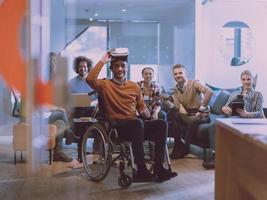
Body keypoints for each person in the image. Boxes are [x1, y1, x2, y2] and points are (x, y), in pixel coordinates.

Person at [86, 50, 177, 182]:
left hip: (136, 125)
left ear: (127, 68)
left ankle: (158, 167)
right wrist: (102, 61)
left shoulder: (134, 86)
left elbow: (141, 107)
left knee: (161, 124)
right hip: (118, 127)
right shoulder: (105, 85)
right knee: (137, 123)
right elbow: (90, 79)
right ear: (111, 69)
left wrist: (147, 113)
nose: (120, 69)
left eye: (123, 66)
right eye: (116, 66)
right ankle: (141, 169)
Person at [203, 69, 264, 169]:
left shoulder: (258, 95)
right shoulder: (235, 93)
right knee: (213, 125)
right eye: (244, 79)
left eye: (248, 79)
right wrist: (224, 108)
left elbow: (259, 112)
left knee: (230, 122)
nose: (246, 82)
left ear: (252, 80)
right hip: (230, 115)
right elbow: (226, 106)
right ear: (241, 81)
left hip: (244, 118)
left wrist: (247, 114)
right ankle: (216, 154)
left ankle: (221, 158)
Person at [167, 64, 213, 159]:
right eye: (175, 74)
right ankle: (177, 143)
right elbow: (177, 106)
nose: (178, 75)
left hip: (201, 116)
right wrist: (169, 100)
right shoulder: (175, 89)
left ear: (185, 73)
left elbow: (209, 92)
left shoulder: (194, 83)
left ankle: (186, 148)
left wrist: (202, 108)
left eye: (180, 73)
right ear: (173, 76)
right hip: (188, 115)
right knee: (171, 113)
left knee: (192, 120)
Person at [48, 52, 73, 162]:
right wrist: (58, 108)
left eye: (55, 61)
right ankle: (70, 133)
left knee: (61, 123)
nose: (53, 63)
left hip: (49, 113)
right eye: (51, 61)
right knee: (61, 113)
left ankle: (57, 153)